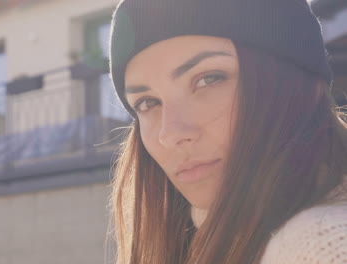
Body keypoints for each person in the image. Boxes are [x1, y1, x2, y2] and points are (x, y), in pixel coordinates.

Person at [106, 0, 347, 263]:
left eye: (209, 79)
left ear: (298, 84)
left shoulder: (323, 244)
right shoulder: (195, 242)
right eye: (147, 103)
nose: (170, 133)